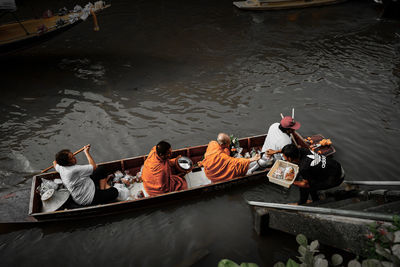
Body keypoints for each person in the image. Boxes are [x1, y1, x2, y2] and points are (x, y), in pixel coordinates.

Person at [53, 144, 118, 206]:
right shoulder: (74, 170)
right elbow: (93, 166)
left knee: (101, 169)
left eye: (73, 155)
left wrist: (58, 160)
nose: (75, 158)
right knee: (114, 192)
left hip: (87, 184)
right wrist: (86, 152)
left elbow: (54, 163)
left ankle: (102, 190)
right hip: (86, 197)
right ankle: (102, 193)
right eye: (72, 158)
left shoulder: (61, 167)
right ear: (67, 163)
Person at [280, 144, 345, 205]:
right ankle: (315, 199)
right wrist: (275, 151)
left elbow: (305, 184)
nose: (283, 157)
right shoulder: (303, 150)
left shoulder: (303, 167)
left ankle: (302, 203)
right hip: (337, 167)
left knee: (304, 187)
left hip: (337, 178)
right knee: (310, 180)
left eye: (284, 156)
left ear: (290, 158)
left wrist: (290, 182)